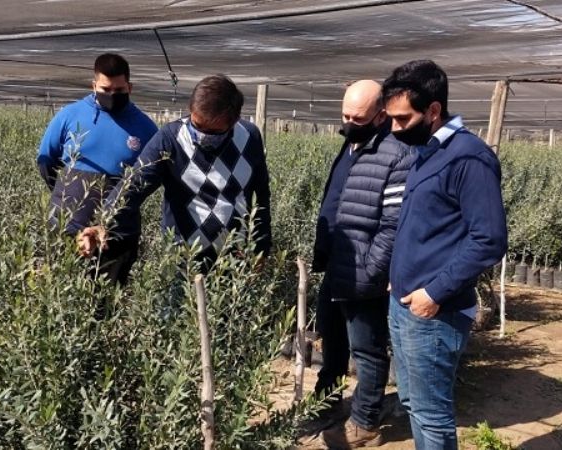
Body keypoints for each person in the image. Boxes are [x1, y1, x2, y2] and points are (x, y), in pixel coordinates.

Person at [384, 60, 508, 450]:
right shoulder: (428, 151)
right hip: (404, 302)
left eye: (403, 119)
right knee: (411, 402)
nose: (394, 129)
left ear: (434, 111)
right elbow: (428, 226)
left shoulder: (468, 158)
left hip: (435, 312)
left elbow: (489, 239)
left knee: (431, 416)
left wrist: (434, 292)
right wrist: (399, 273)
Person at [77, 74, 271, 269]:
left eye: (210, 131)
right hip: (185, 257)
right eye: (196, 125)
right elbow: (135, 183)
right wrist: (103, 221)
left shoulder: (249, 137)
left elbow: (261, 194)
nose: (201, 136)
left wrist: (261, 246)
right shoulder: (171, 138)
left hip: (236, 256)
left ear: (233, 120)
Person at [315, 80, 416, 448]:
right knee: (333, 342)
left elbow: (393, 224)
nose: (348, 122)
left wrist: (374, 270)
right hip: (337, 265)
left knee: (368, 349)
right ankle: (327, 404)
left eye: (357, 117)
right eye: (344, 115)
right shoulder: (351, 144)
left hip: (365, 271)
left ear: (380, 114)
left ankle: (365, 421)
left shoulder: (396, 155)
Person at [36, 53, 158, 284]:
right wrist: (66, 196)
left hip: (118, 233)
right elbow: (45, 161)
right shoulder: (70, 116)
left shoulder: (144, 127)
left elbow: (152, 175)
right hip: (68, 227)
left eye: (119, 90)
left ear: (130, 87)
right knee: (61, 295)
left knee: (106, 300)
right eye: (105, 89)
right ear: (94, 85)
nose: (112, 95)